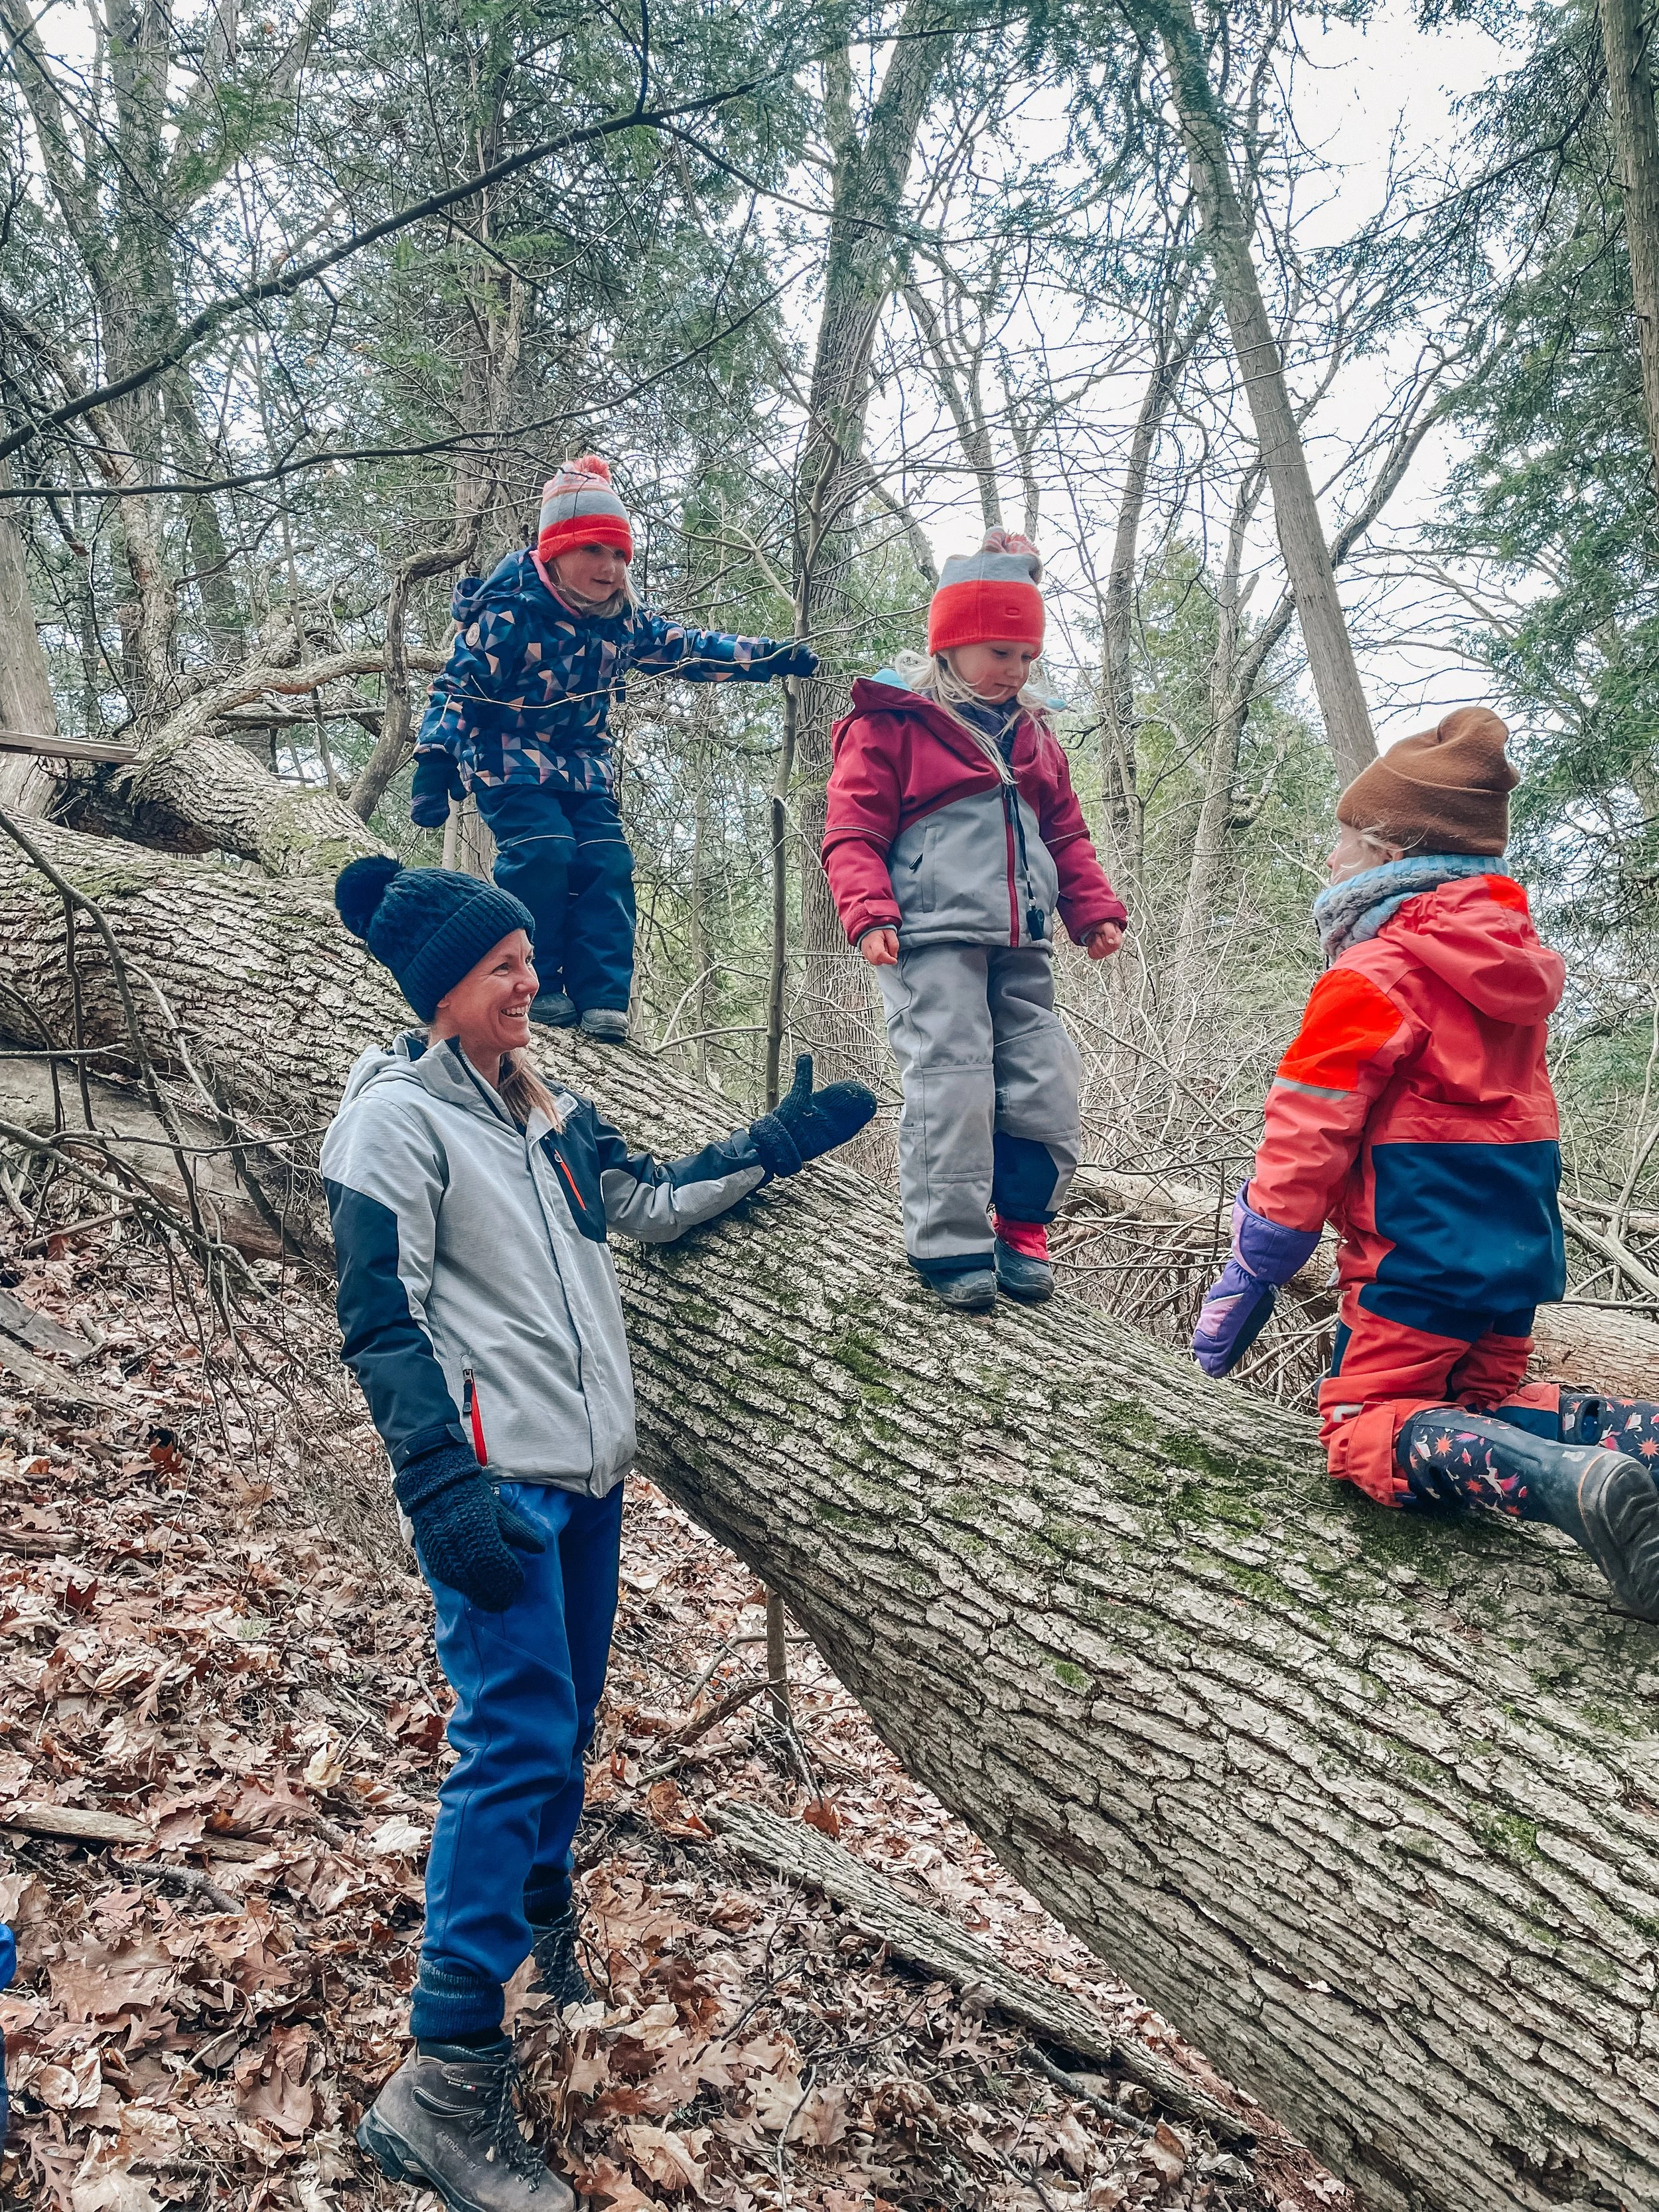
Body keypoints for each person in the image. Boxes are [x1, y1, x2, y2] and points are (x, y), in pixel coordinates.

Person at [323, 854, 875, 2210]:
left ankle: (539, 1934)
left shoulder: (541, 1110)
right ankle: (440, 2084)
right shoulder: (394, 1119)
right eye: (504, 966)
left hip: (585, 1477)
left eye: (526, 960)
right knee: (509, 1742)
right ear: (443, 986)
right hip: (494, 1479)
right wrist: (436, 1486)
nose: (530, 981)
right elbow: (377, 1314)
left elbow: (643, 1204)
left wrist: (767, 1147)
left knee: (563, 1731)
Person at [1190, 707, 1659, 1619]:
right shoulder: (1511, 965)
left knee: (1364, 1425)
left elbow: (1309, 1125)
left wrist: (1259, 1260)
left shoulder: (1377, 970)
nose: (1329, 860)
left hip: (1417, 1250)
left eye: (1342, 841)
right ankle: (1640, 1449)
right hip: (1517, 1246)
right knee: (1485, 1396)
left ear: (1388, 851)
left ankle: (1583, 1490)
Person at [821, 530, 1127, 1313]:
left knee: (1045, 1077)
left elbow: (1065, 833)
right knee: (953, 1080)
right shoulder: (891, 723)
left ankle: (1021, 1226)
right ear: (951, 645)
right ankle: (948, 1239)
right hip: (927, 940)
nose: (1016, 672)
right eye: (1000, 653)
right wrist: (867, 913)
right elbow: (851, 832)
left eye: (1027, 656)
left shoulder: (1034, 733)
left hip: (1020, 939)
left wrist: (1090, 909)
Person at [410, 456, 817, 1044]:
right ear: (555, 552)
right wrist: (435, 759)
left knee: (607, 862)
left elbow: (692, 649)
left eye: (622, 554)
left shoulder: (622, 621)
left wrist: (769, 658)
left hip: (583, 765)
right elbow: (458, 683)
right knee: (545, 852)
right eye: (595, 551)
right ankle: (537, 980)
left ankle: (602, 995)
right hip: (509, 758)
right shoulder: (509, 611)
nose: (611, 568)